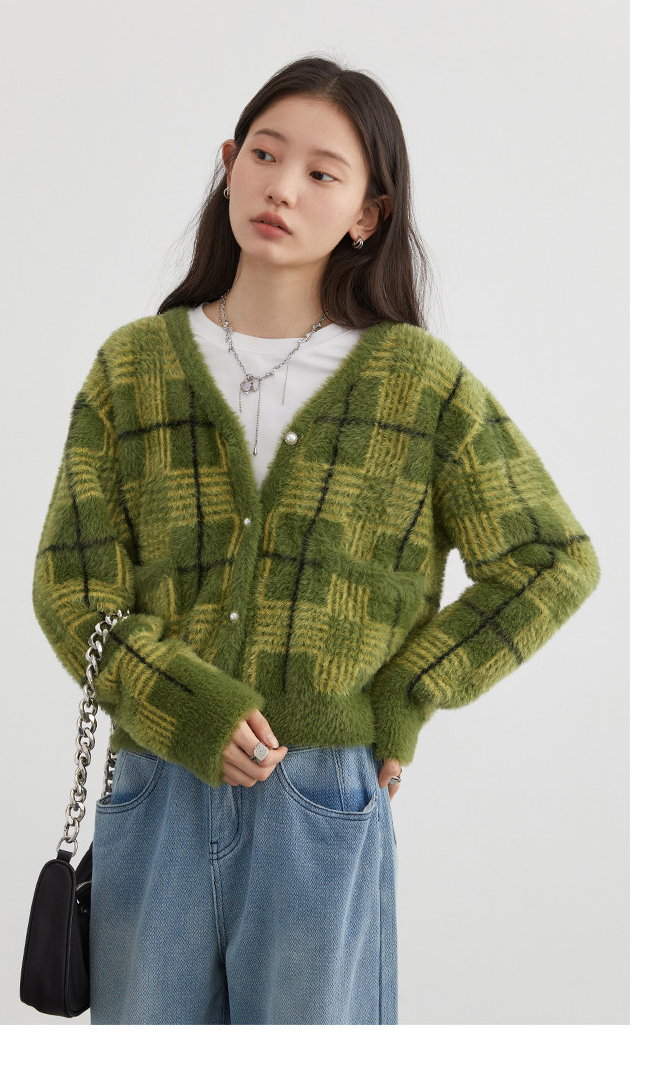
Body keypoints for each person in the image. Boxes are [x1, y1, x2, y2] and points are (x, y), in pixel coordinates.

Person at [32, 55, 600, 1025]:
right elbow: (72, 587)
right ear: (229, 164)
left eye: (321, 172)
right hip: (156, 787)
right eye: (263, 155)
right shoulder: (134, 368)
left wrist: (407, 692)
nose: (282, 187)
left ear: (368, 214)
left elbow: (551, 557)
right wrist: (185, 703)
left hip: (323, 798)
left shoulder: (416, 383)